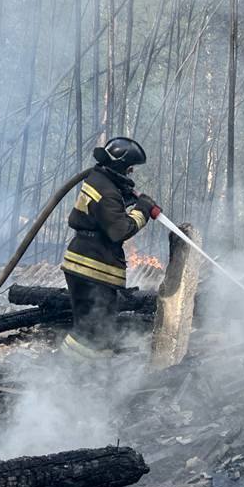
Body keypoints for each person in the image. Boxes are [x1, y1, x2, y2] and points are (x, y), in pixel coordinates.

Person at [61, 136, 159, 359]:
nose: (130, 173)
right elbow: (119, 231)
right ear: (120, 165)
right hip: (91, 268)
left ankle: (93, 373)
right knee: (90, 333)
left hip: (87, 264)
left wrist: (125, 198)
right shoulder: (106, 190)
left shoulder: (100, 181)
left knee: (97, 330)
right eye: (129, 169)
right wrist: (142, 209)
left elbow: (102, 215)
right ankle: (67, 371)